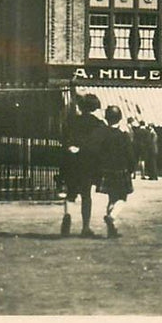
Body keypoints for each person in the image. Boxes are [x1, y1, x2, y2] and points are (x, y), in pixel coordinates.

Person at [59, 93, 106, 238]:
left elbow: (64, 139)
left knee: (71, 193)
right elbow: (98, 146)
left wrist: (71, 147)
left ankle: (67, 214)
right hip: (88, 162)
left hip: (71, 161)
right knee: (86, 195)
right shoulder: (98, 125)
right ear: (95, 107)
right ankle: (85, 227)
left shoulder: (71, 121)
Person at [96, 105, 136, 239]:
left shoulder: (103, 134)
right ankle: (111, 217)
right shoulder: (123, 136)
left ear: (107, 118)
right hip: (121, 169)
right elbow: (130, 154)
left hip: (106, 170)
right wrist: (131, 168)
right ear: (120, 118)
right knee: (122, 198)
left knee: (111, 198)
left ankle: (111, 230)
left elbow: (99, 152)